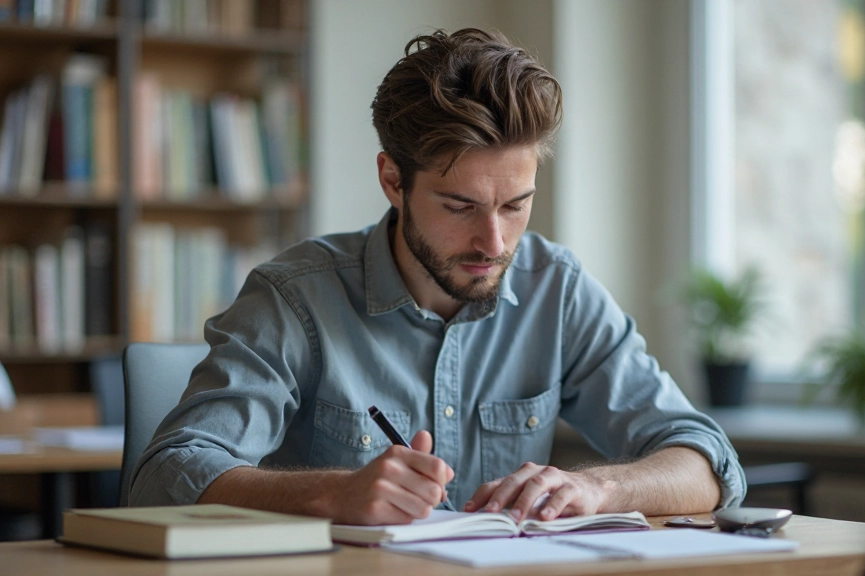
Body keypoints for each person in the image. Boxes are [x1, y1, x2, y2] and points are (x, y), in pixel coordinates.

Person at [130, 28, 746, 525]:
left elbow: (710, 464)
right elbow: (165, 476)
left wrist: (597, 488)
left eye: (516, 205)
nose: (494, 242)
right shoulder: (295, 298)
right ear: (393, 181)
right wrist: (333, 496)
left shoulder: (556, 289)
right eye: (460, 207)